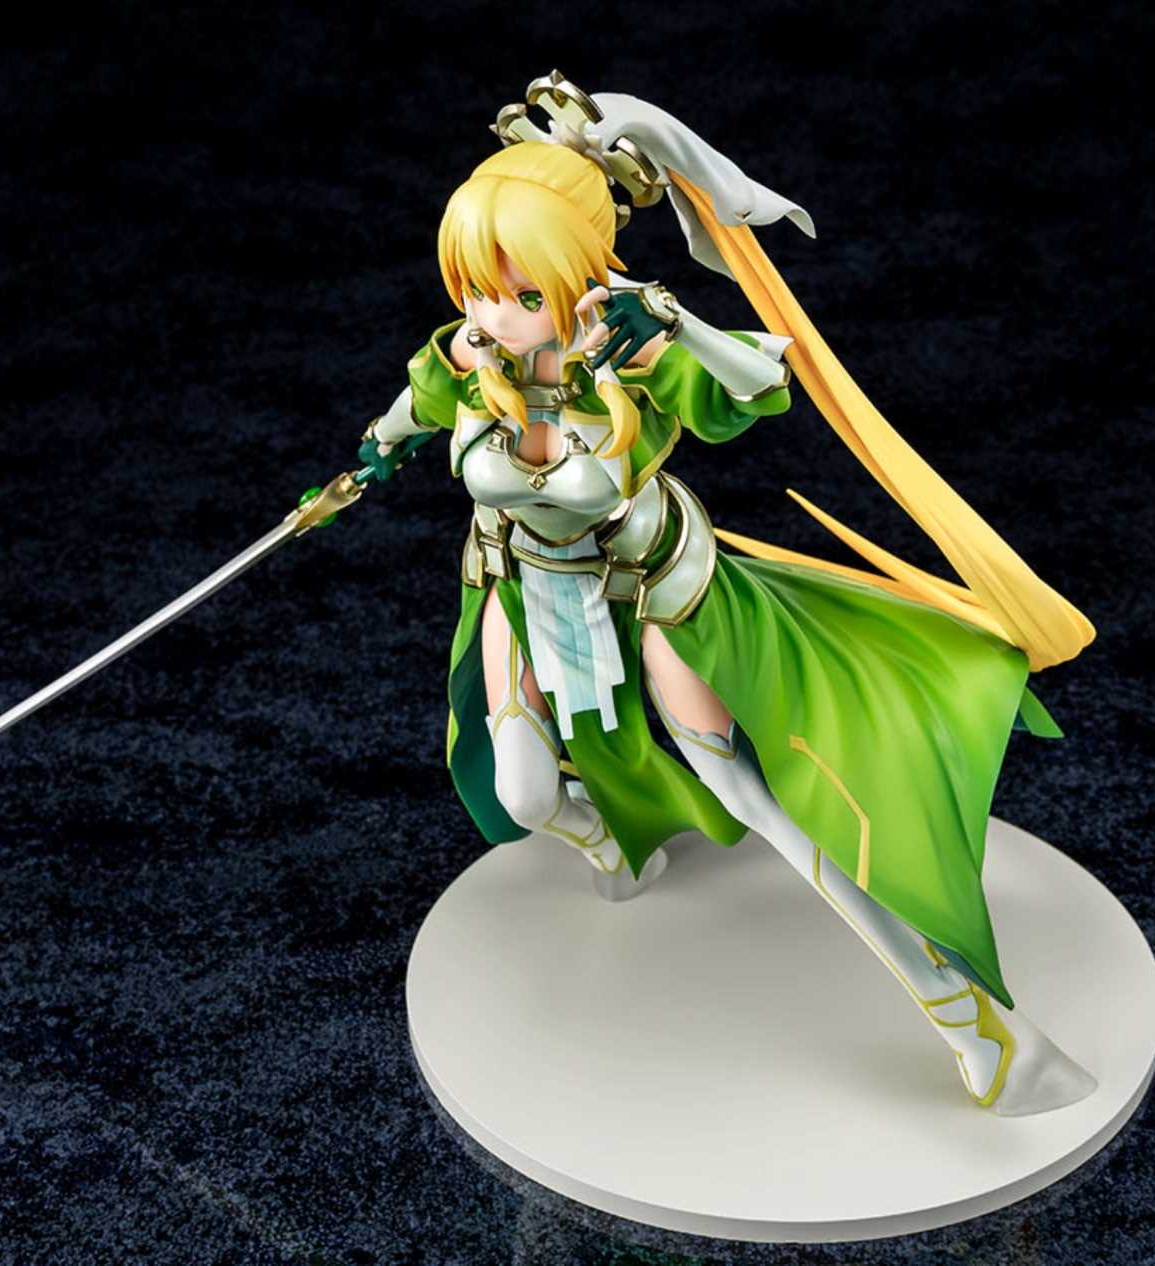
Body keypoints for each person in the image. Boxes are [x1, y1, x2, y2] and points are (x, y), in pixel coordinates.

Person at [356, 76, 1099, 1117]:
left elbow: (760, 386)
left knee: (766, 802)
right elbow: (413, 403)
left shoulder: (632, 346)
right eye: (475, 288)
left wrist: (678, 323)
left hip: (655, 589)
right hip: (526, 589)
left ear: (580, 273)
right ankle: (612, 841)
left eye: (521, 294)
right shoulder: (471, 354)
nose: (490, 314)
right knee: (525, 797)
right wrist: (369, 458)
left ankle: (973, 1025)